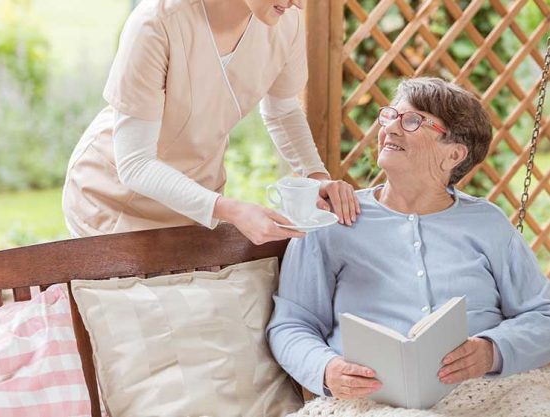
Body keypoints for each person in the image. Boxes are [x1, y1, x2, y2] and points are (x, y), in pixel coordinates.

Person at [266, 77, 550, 400]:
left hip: (485, 396)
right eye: (390, 116)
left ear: (454, 154)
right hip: (369, 404)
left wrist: (491, 351)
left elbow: (544, 316)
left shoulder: (489, 224)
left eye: (413, 121)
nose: (391, 128)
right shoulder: (330, 220)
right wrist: (327, 370)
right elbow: (290, 325)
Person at [62, 0, 360, 245]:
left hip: (195, 204)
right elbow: (136, 163)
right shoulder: (157, 23)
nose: (299, 3)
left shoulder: (286, 23)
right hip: (113, 203)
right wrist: (231, 210)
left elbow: (283, 111)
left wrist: (316, 175)